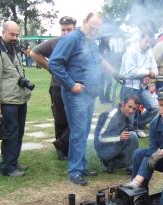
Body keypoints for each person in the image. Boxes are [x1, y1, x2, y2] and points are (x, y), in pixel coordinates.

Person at [49, 12, 117, 186]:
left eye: (97, 28)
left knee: (84, 131)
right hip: (75, 95)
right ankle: (75, 171)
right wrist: (71, 84)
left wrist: (115, 73)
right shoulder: (71, 39)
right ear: (84, 22)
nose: (94, 30)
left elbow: (99, 60)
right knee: (78, 132)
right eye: (92, 27)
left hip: (88, 95)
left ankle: (81, 165)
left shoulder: (91, 41)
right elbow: (54, 63)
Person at [0, 21, 32, 177]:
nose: (15, 37)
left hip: (20, 99)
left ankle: (14, 162)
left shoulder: (13, 50)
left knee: (19, 133)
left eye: (17, 34)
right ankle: (7, 167)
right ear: (3, 33)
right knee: (10, 134)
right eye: (12, 34)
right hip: (7, 102)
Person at [31, 16, 76, 161]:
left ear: (75, 29)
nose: (65, 32)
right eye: (63, 29)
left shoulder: (80, 43)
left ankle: (64, 145)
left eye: (69, 29)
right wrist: (51, 68)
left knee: (76, 119)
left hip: (76, 87)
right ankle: (62, 151)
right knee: (61, 119)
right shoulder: (55, 43)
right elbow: (34, 53)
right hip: (58, 86)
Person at [119, 31, 159, 136]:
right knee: (129, 112)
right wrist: (146, 72)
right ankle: (129, 132)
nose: (148, 44)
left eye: (150, 42)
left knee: (154, 107)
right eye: (146, 41)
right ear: (140, 40)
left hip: (141, 88)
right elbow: (130, 71)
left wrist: (150, 75)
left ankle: (137, 125)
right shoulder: (131, 50)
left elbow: (155, 69)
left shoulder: (150, 51)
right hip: (129, 86)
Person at [94, 94, 139, 175]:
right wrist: (119, 138)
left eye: (134, 108)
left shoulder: (127, 114)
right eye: (129, 107)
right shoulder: (111, 115)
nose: (131, 111)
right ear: (123, 104)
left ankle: (109, 163)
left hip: (114, 146)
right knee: (133, 136)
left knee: (136, 156)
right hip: (103, 149)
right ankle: (130, 168)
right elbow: (100, 138)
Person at [99, 36, 113, 104]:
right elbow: (99, 59)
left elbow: (110, 57)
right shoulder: (100, 47)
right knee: (101, 85)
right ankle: (102, 99)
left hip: (108, 69)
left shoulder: (108, 47)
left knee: (109, 84)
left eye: (109, 38)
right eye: (107, 38)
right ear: (103, 39)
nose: (109, 40)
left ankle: (107, 98)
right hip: (101, 70)